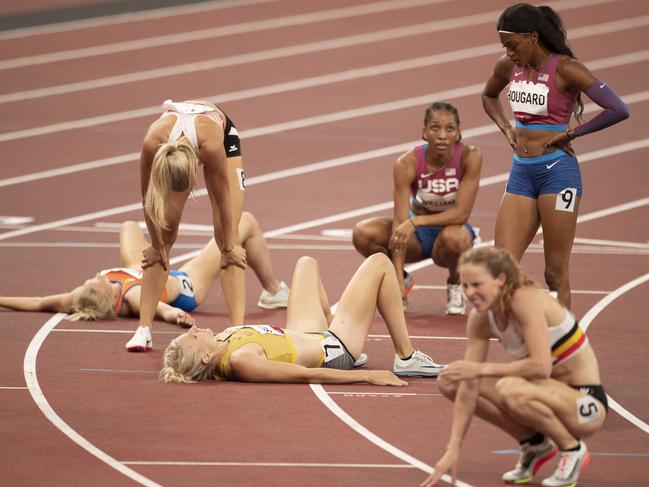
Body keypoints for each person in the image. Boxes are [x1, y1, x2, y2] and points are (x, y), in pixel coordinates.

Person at [482, 3, 629, 308]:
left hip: (557, 174)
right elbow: (488, 95)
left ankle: (564, 344)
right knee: (500, 267)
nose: (508, 52)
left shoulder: (566, 69)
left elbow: (618, 108)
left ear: (533, 37)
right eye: (503, 45)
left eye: (512, 44)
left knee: (554, 273)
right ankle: (520, 336)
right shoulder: (508, 67)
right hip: (521, 173)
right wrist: (506, 128)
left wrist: (572, 133)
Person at [421, 247, 607, 487]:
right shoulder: (481, 318)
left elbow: (541, 367)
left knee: (509, 387)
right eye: (465, 286)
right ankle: (534, 444)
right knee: (451, 379)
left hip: (585, 404)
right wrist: (453, 447)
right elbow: (469, 382)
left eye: (477, 284)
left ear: (500, 279)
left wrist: (481, 370)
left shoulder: (524, 299)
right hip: (540, 393)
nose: (470, 293)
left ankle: (572, 448)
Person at [0, 216, 289, 348]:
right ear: (106, 296)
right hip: (186, 284)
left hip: (140, 267)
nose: (91, 277)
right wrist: (178, 317)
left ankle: (273, 289)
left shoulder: (79, 295)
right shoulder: (134, 296)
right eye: (93, 282)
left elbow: (36, 303)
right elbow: (163, 310)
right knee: (245, 224)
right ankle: (273, 290)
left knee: (129, 226)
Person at [161, 253, 446, 384]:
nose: (196, 328)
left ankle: (341, 323)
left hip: (304, 333)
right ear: (206, 358)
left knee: (306, 263)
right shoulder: (240, 361)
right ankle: (406, 358)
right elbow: (307, 375)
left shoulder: (220, 341)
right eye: (194, 336)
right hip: (333, 349)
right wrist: (368, 376)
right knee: (380, 263)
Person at [132, 99, 248, 351]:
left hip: (222, 134)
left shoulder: (212, 145)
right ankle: (143, 329)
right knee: (164, 232)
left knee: (228, 238)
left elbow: (221, 197)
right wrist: (155, 244)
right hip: (178, 139)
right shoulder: (152, 142)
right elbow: (147, 200)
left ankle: (237, 332)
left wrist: (229, 244)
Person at [353, 102, 482, 315]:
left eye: (449, 129)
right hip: (418, 238)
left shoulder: (470, 157)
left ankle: (454, 282)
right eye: (435, 128)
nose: (442, 135)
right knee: (363, 233)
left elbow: (462, 213)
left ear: (458, 133)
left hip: (451, 233)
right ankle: (402, 279)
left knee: (455, 239)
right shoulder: (407, 163)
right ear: (424, 133)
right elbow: (399, 224)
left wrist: (416, 222)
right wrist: (396, 284)